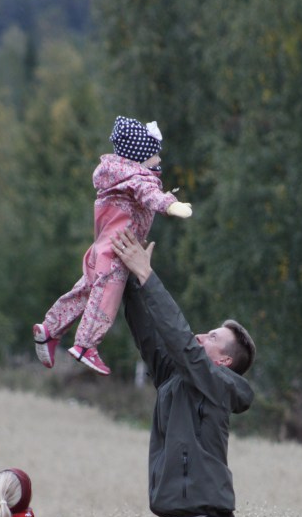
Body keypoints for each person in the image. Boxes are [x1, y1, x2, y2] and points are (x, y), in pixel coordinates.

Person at [111, 226, 256, 517]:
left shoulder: (218, 385)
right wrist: (125, 276)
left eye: (211, 337)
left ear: (223, 361)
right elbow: (148, 333)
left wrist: (148, 275)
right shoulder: (174, 378)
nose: (199, 336)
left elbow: (182, 343)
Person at [33, 115, 193, 376]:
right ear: (140, 157)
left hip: (100, 248)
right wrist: (171, 205)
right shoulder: (138, 178)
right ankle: (86, 346)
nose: (159, 161)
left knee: (85, 291)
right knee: (106, 298)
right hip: (118, 253)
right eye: (154, 156)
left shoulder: (114, 177)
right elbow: (150, 195)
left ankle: (50, 329)